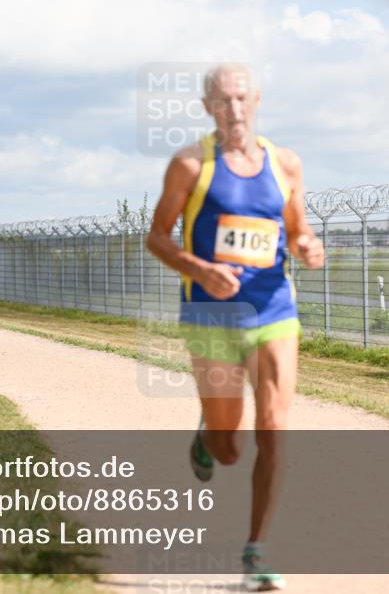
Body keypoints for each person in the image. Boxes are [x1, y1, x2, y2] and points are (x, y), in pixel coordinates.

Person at [146, 63, 324, 592]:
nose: (235, 110)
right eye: (223, 101)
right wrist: (200, 269)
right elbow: (156, 237)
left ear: (258, 100)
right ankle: (208, 438)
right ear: (207, 108)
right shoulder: (189, 165)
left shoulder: (285, 163)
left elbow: (296, 230)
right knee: (230, 446)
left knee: (273, 427)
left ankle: (257, 551)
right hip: (211, 314)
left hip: (273, 311)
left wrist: (309, 245)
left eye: (242, 98)